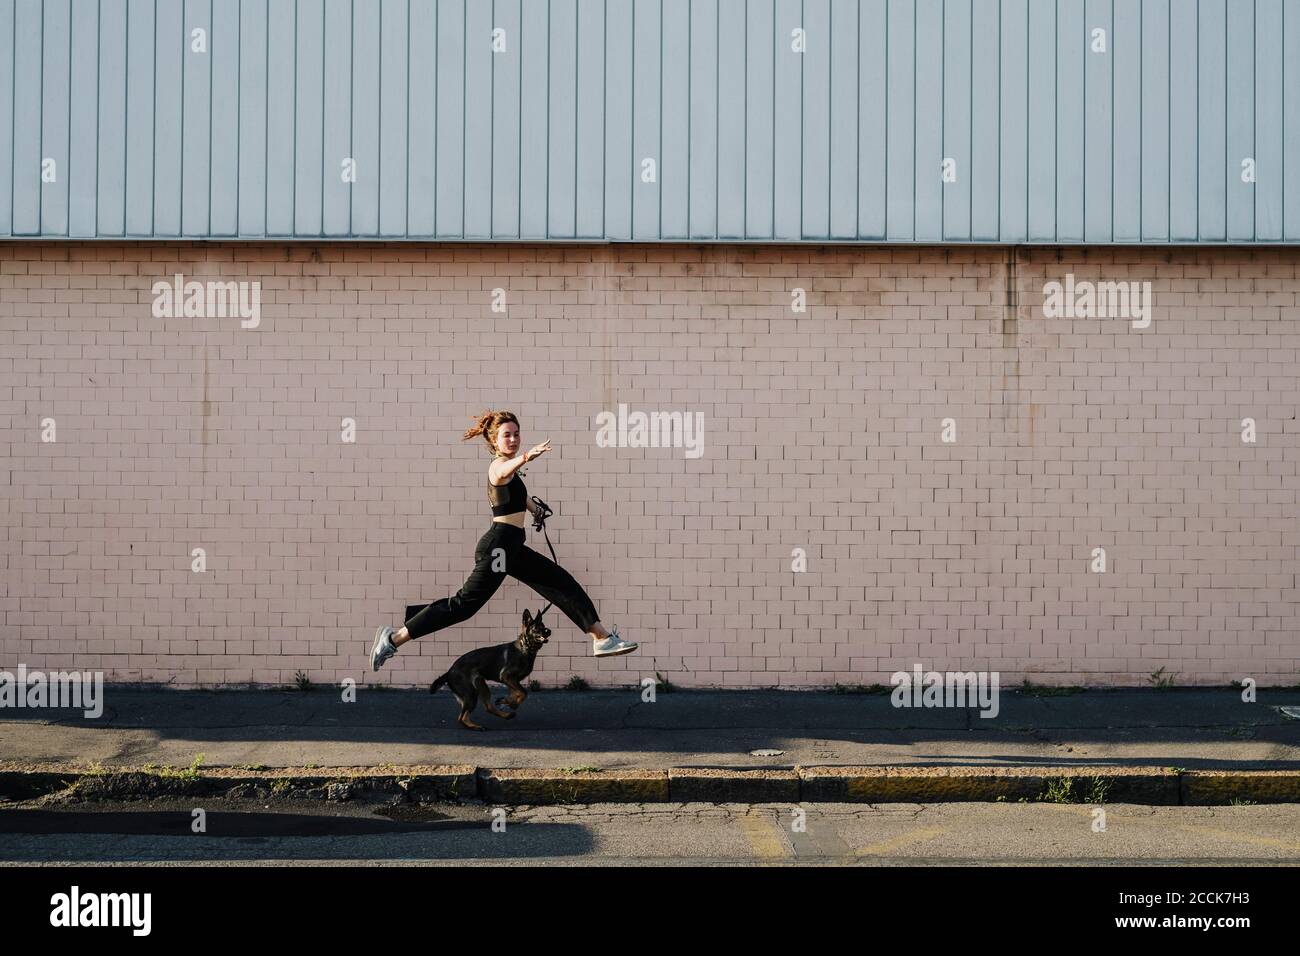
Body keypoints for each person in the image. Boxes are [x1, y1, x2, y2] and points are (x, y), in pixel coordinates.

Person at [370, 410, 639, 670]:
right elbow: (502, 473)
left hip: (512, 546)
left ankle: (601, 638)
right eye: (507, 435)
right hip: (498, 548)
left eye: (516, 434)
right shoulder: (498, 466)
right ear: (495, 441)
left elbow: (515, 492)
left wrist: (535, 510)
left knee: (560, 582)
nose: (513, 439)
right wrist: (526, 457)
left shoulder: (511, 472)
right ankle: (394, 638)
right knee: (463, 606)